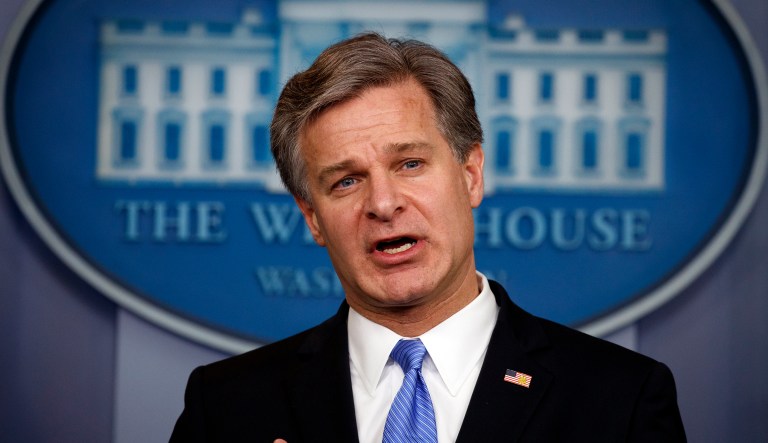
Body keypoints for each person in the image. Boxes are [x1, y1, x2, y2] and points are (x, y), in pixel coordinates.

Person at [170, 33, 686, 442]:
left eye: (410, 163)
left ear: (471, 174)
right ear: (312, 217)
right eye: (346, 181)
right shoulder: (227, 407)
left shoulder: (621, 399)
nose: (383, 203)